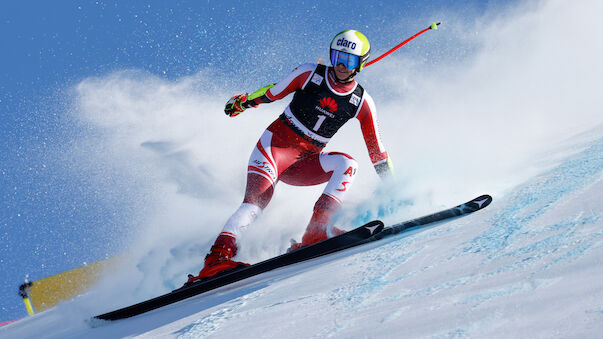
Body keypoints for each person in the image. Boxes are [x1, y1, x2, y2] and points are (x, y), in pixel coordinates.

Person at [191, 30, 394, 281]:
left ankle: (317, 231)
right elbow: (272, 92)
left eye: (349, 60)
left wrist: (393, 187)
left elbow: (377, 152)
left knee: (347, 164)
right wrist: (244, 102)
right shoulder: (309, 74)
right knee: (254, 205)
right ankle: (216, 259)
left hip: (305, 163)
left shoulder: (361, 101)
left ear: (360, 64)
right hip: (274, 149)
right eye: (338, 57)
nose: (341, 65)